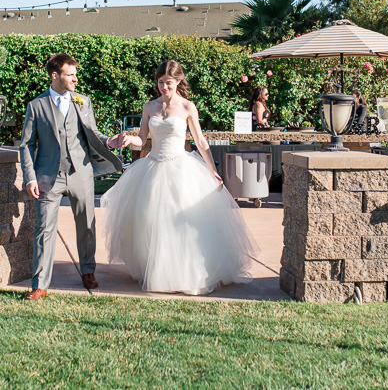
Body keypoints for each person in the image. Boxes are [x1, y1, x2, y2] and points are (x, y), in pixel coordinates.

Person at [101, 60, 258, 295]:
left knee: (182, 222)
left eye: (169, 83)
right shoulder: (149, 107)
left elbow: (200, 141)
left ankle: (186, 273)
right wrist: (126, 139)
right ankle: (156, 270)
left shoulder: (187, 107)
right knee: (151, 221)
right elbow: (142, 140)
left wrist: (213, 170)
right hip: (152, 168)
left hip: (180, 168)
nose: (164, 87)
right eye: (160, 82)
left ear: (178, 82)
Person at [19, 53, 127, 301]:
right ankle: (40, 285)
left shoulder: (83, 101)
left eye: (75, 74)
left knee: (86, 225)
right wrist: (30, 177)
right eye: (70, 74)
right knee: (44, 228)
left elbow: (94, 134)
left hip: (81, 173)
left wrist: (110, 141)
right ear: (55, 76)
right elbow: (26, 145)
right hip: (48, 176)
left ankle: (88, 271)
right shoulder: (36, 106)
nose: (75, 79)